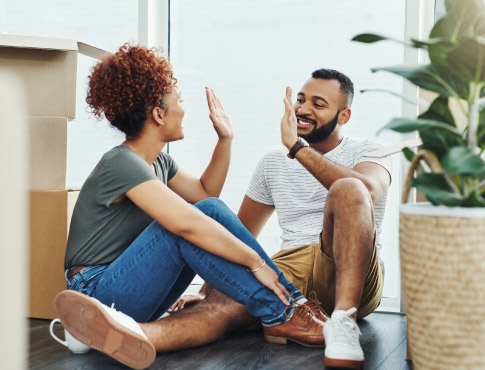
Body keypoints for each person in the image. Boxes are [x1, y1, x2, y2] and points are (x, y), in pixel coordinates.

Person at [54, 44, 327, 370]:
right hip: (94, 293)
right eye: (179, 101)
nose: (184, 109)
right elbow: (190, 222)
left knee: (204, 211)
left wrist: (225, 140)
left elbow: (204, 193)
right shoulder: (120, 162)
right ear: (158, 114)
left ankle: (290, 306)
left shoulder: (159, 162)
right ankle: (284, 310)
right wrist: (256, 262)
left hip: (123, 288)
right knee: (190, 223)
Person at [137, 68, 393, 370]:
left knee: (348, 188)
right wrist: (208, 289)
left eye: (319, 104)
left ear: (344, 116)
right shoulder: (273, 161)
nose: (303, 109)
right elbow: (241, 233)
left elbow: (367, 190)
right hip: (288, 272)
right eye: (300, 100)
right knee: (218, 308)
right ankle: (128, 334)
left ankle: (343, 322)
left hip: (350, 272)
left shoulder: (369, 152)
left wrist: (298, 149)